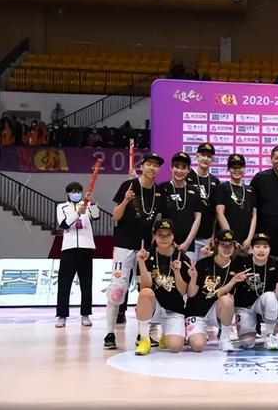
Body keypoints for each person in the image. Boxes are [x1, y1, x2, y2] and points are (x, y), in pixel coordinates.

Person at [104, 152, 166, 350]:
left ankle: (143, 335)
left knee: (145, 291)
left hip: (145, 248)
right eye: (149, 164)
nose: (152, 168)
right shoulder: (128, 186)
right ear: (142, 166)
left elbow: (158, 222)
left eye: (156, 165)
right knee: (117, 289)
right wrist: (125, 200)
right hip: (123, 245)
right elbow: (116, 216)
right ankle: (109, 333)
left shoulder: (159, 191)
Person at [185, 229, 251, 352]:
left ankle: (224, 338)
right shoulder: (203, 263)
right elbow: (191, 294)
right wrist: (193, 278)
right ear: (216, 245)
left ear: (235, 246)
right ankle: (193, 332)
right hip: (197, 311)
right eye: (223, 245)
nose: (227, 248)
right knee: (198, 346)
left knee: (227, 300)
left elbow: (220, 294)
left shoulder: (237, 266)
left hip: (217, 309)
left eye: (230, 245)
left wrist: (233, 281)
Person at [134, 219, 191, 355]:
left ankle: (167, 334)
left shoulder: (182, 258)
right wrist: (141, 262)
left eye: (168, 235)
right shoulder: (146, 255)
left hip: (174, 308)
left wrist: (177, 272)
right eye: (160, 234)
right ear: (154, 236)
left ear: (173, 236)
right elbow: (145, 287)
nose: (164, 238)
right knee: (145, 293)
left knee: (176, 346)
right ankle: (144, 339)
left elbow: (183, 291)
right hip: (154, 306)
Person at [55, 182, 100, 328]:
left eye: (78, 191)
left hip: (86, 248)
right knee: (64, 283)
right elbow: (64, 224)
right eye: (73, 191)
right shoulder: (62, 207)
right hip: (68, 248)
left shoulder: (87, 205)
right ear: (67, 193)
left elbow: (96, 216)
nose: (76, 194)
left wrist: (92, 202)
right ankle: (62, 315)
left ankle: (85, 314)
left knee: (86, 283)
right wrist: (77, 213)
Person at [232, 233, 278, 350]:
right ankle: (249, 328)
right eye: (257, 246)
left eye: (265, 247)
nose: (261, 250)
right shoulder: (241, 260)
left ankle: (270, 335)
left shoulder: (276, 263)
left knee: (271, 296)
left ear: (269, 249)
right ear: (251, 248)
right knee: (247, 343)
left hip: (263, 303)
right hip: (245, 306)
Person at [159, 152, 202, 259]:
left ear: (188, 170)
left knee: (188, 270)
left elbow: (197, 217)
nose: (179, 171)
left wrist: (187, 243)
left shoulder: (194, 190)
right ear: (171, 168)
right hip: (165, 244)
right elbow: (158, 217)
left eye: (183, 168)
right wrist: (169, 241)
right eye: (176, 167)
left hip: (188, 246)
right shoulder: (163, 188)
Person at [186, 143, 222, 263]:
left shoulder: (215, 181)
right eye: (203, 155)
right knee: (188, 270)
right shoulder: (186, 177)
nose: (205, 158)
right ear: (197, 155)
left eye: (209, 156)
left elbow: (215, 212)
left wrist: (213, 235)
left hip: (206, 237)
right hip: (188, 236)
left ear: (213, 159)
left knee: (203, 272)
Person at [218, 154, 257, 252]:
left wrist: (249, 239)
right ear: (228, 169)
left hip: (246, 242)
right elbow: (220, 214)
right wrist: (231, 239)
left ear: (244, 168)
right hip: (227, 241)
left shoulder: (251, 190)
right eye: (233, 167)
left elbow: (254, 216)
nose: (237, 170)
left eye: (240, 167)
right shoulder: (222, 188)